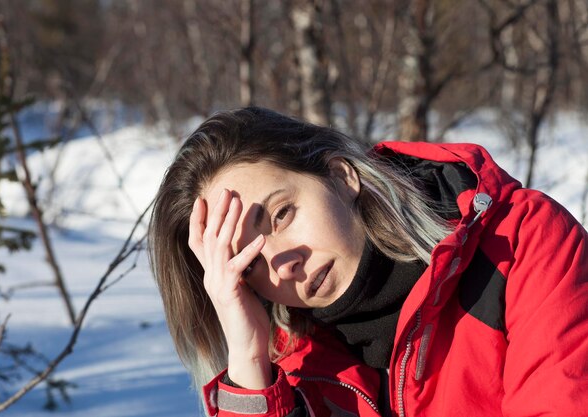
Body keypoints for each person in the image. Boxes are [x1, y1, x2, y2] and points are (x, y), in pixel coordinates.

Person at [148, 106, 588, 417]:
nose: (283, 264)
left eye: (281, 215)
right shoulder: (287, 365)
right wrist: (248, 361)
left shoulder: (519, 242)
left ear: (342, 176)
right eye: (248, 265)